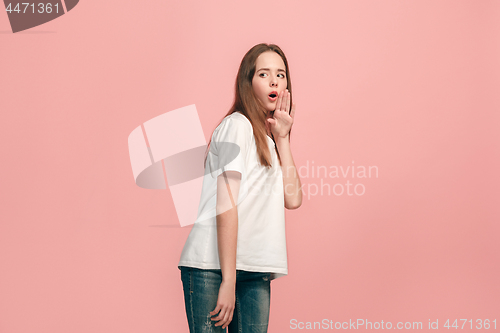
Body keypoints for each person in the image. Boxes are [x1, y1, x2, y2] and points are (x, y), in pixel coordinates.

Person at [178, 43, 302, 333]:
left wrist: (282, 138)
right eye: (264, 74)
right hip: (212, 268)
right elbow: (227, 205)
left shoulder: (269, 140)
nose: (274, 81)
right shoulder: (237, 127)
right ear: (248, 83)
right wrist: (228, 280)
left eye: (281, 74)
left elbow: (293, 199)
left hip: (255, 268)